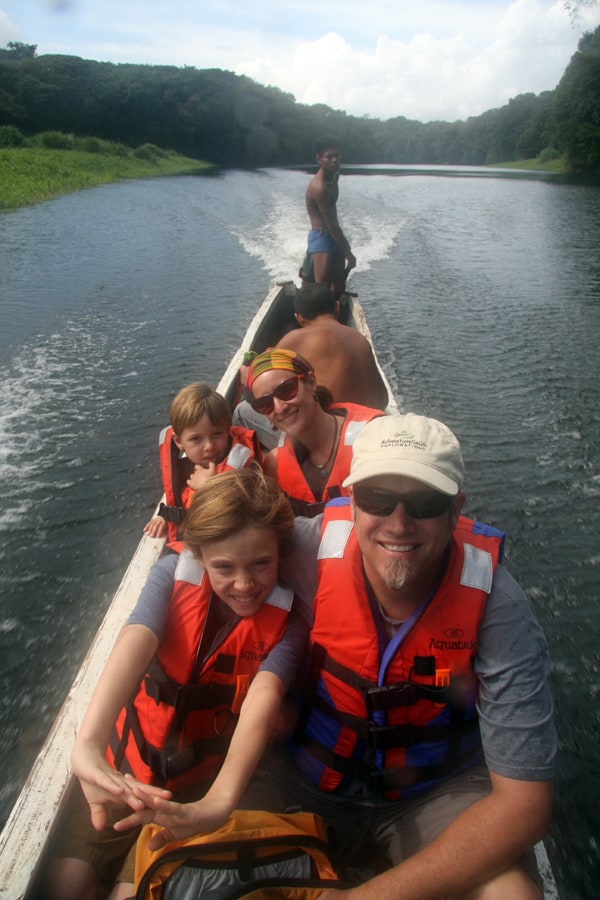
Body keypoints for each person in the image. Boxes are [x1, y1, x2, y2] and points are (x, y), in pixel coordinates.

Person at [241, 413, 557, 898]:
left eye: (425, 502)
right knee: (206, 867)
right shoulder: (309, 548)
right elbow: (206, 561)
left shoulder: (497, 603)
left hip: (434, 795)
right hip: (305, 779)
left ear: (456, 510)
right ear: (352, 501)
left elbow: (526, 804)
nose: (398, 523)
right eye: (377, 498)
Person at [44, 468, 307, 900]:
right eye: (224, 567)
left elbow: (265, 693)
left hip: (193, 795)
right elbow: (136, 636)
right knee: (67, 884)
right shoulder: (171, 575)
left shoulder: (289, 623)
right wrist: (87, 745)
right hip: (123, 772)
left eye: (261, 564)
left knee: (133, 893)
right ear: (200, 557)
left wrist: (218, 803)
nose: (244, 584)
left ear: (281, 553)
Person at [246, 348, 383, 517]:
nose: (280, 408)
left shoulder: (373, 438)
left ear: (311, 382)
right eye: (265, 403)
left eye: (286, 390)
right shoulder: (275, 466)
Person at [143, 381, 261, 547]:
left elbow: (248, 514)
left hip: (230, 547)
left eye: (217, 434)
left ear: (227, 431)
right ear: (178, 441)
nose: (209, 446)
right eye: (196, 439)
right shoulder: (187, 466)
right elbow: (183, 500)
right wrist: (167, 516)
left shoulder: (243, 466)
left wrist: (209, 488)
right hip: (191, 545)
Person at [277, 283, 389, 411]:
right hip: (372, 421)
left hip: (338, 427)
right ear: (337, 307)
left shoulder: (297, 338)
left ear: (299, 318)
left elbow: (260, 372)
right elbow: (383, 399)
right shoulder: (359, 338)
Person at [305, 136, 356, 300]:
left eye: (337, 156)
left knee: (339, 287)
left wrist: (344, 248)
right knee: (322, 288)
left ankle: (330, 314)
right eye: (329, 157)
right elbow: (332, 226)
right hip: (322, 237)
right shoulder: (319, 188)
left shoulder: (334, 177)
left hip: (334, 234)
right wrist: (348, 252)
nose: (334, 160)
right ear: (319, 159)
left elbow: (335, 227)